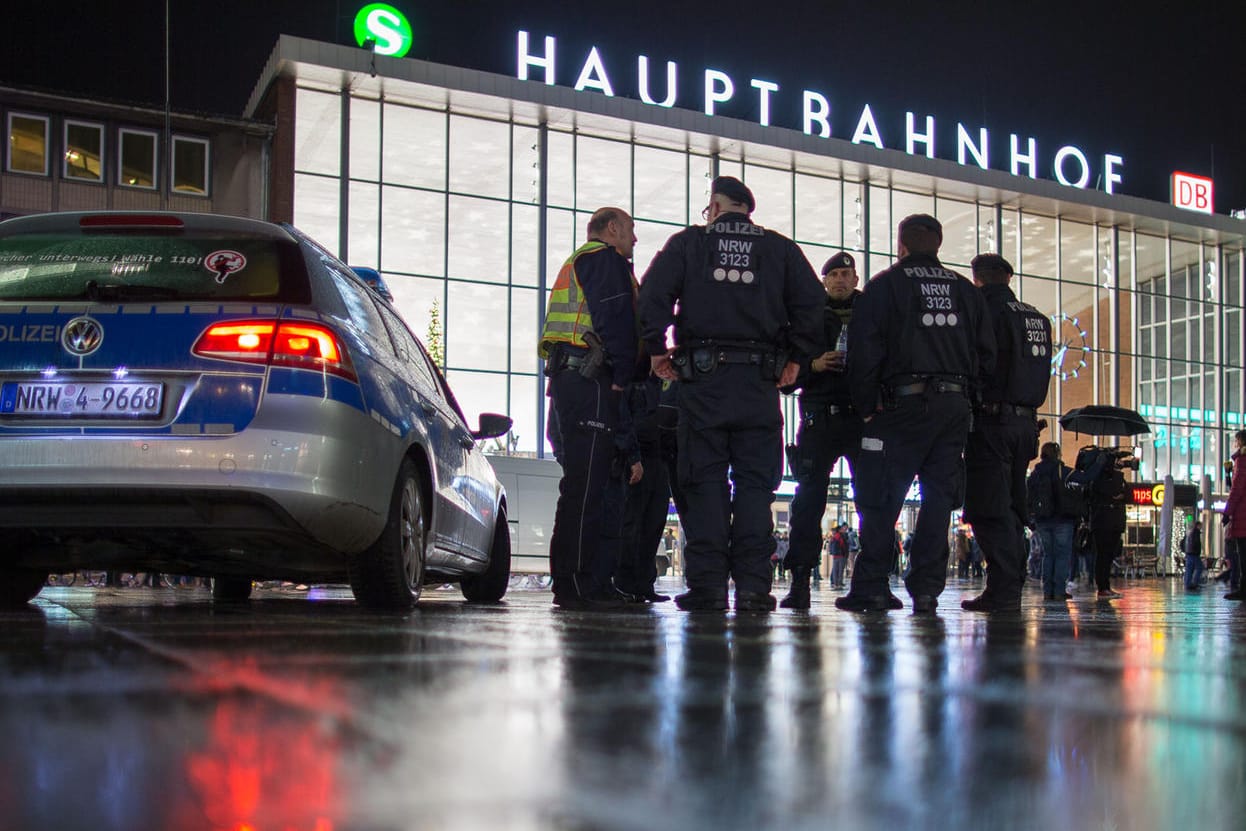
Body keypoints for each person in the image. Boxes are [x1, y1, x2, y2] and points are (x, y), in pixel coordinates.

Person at [639, 175, 824, 612]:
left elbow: (652, 295)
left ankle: (707, 587)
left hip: (703, 383)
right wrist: (796, 359)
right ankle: (755, 588)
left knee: (704, 482)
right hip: (760, 384)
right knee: (756, 486)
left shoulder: (689, 243)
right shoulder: (780, 249)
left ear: (717, 207)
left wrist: (653, 348)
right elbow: (812, 305)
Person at [835, 213, 995, 614]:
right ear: (938, 245)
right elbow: (986, 356)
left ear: (901, 245)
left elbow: (864, 352)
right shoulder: (966, 291)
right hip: (953, 406)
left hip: (900, 405)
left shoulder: (885, 286)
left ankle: (871, 585)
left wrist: (867, 405)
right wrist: (968, 400)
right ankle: (926, 590)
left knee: (883, 497)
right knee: (939, 500)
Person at [539, 207, 643, 611]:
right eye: (631, 230)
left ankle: (587, 581)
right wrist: (620, 372)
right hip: (589, 377)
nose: (634, 240)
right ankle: (575, 583)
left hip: (576, 377)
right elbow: (615, 317)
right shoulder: (603, 258)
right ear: (613, 228)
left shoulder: (580, 262)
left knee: (588, 484)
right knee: (585, 487)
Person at [961, 253, 1052, 612]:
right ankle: (1009, 584)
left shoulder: (983, 311)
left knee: (987, 505)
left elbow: (979, 362)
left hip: (992, 420)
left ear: (978, 280)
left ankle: (1002, 586)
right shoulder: (1037, 318)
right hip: (1025, 423)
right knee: (1013, 505)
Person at [780, 252, 865, 609]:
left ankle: (870, 582)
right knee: (808, 502)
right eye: (835, 275)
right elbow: (784, 377)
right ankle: (800, 579)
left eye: (847, 274)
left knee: (873, 502)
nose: (841, 280)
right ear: (824, 280)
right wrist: (813, 365)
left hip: (862, 418)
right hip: (820, 418)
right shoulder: (807, 316)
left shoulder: (872, 312)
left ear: (856, 279)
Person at [1027, 441, 1077, 601]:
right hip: (1062, 519)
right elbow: (1084, 477)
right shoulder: (1063, 471)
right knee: (1062, 555)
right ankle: (1059, 590)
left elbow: (1029, 496)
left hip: (1042, 520)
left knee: (1048, 555)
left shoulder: (1036, 474)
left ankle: (1047, 591)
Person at [1089, 452, 1127, 599]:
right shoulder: (1102, 479)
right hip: (1106, 523)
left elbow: (1126, 494)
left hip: (1110, 523)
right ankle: (1103, 586)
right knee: (1103, 556)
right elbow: (1115, 490)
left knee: (1107, 556)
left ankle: (1105, 586)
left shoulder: (1101, 478)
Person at [1221, 430, 1246, 601]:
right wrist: (1229, 475)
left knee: (1243, 555)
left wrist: (1227, 513)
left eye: (1236, 440)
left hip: (1242, 517)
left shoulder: (1242, 461)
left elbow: (1237, 490)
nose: (1235, 443)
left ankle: (1243, 590)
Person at [1182, 520, 1205, 591]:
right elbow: (1196, 543)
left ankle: (1188, 583)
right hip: (1194, 554)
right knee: (1200, 567)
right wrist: (1197, 550)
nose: (1201, 527)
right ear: (1198, 525)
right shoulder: (1196, 532)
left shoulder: (1190, 532)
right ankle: (1195, 582)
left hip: (1189, 553)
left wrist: (1185, 550)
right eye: (1201, 526)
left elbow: (1182, 542)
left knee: (1189, 569)